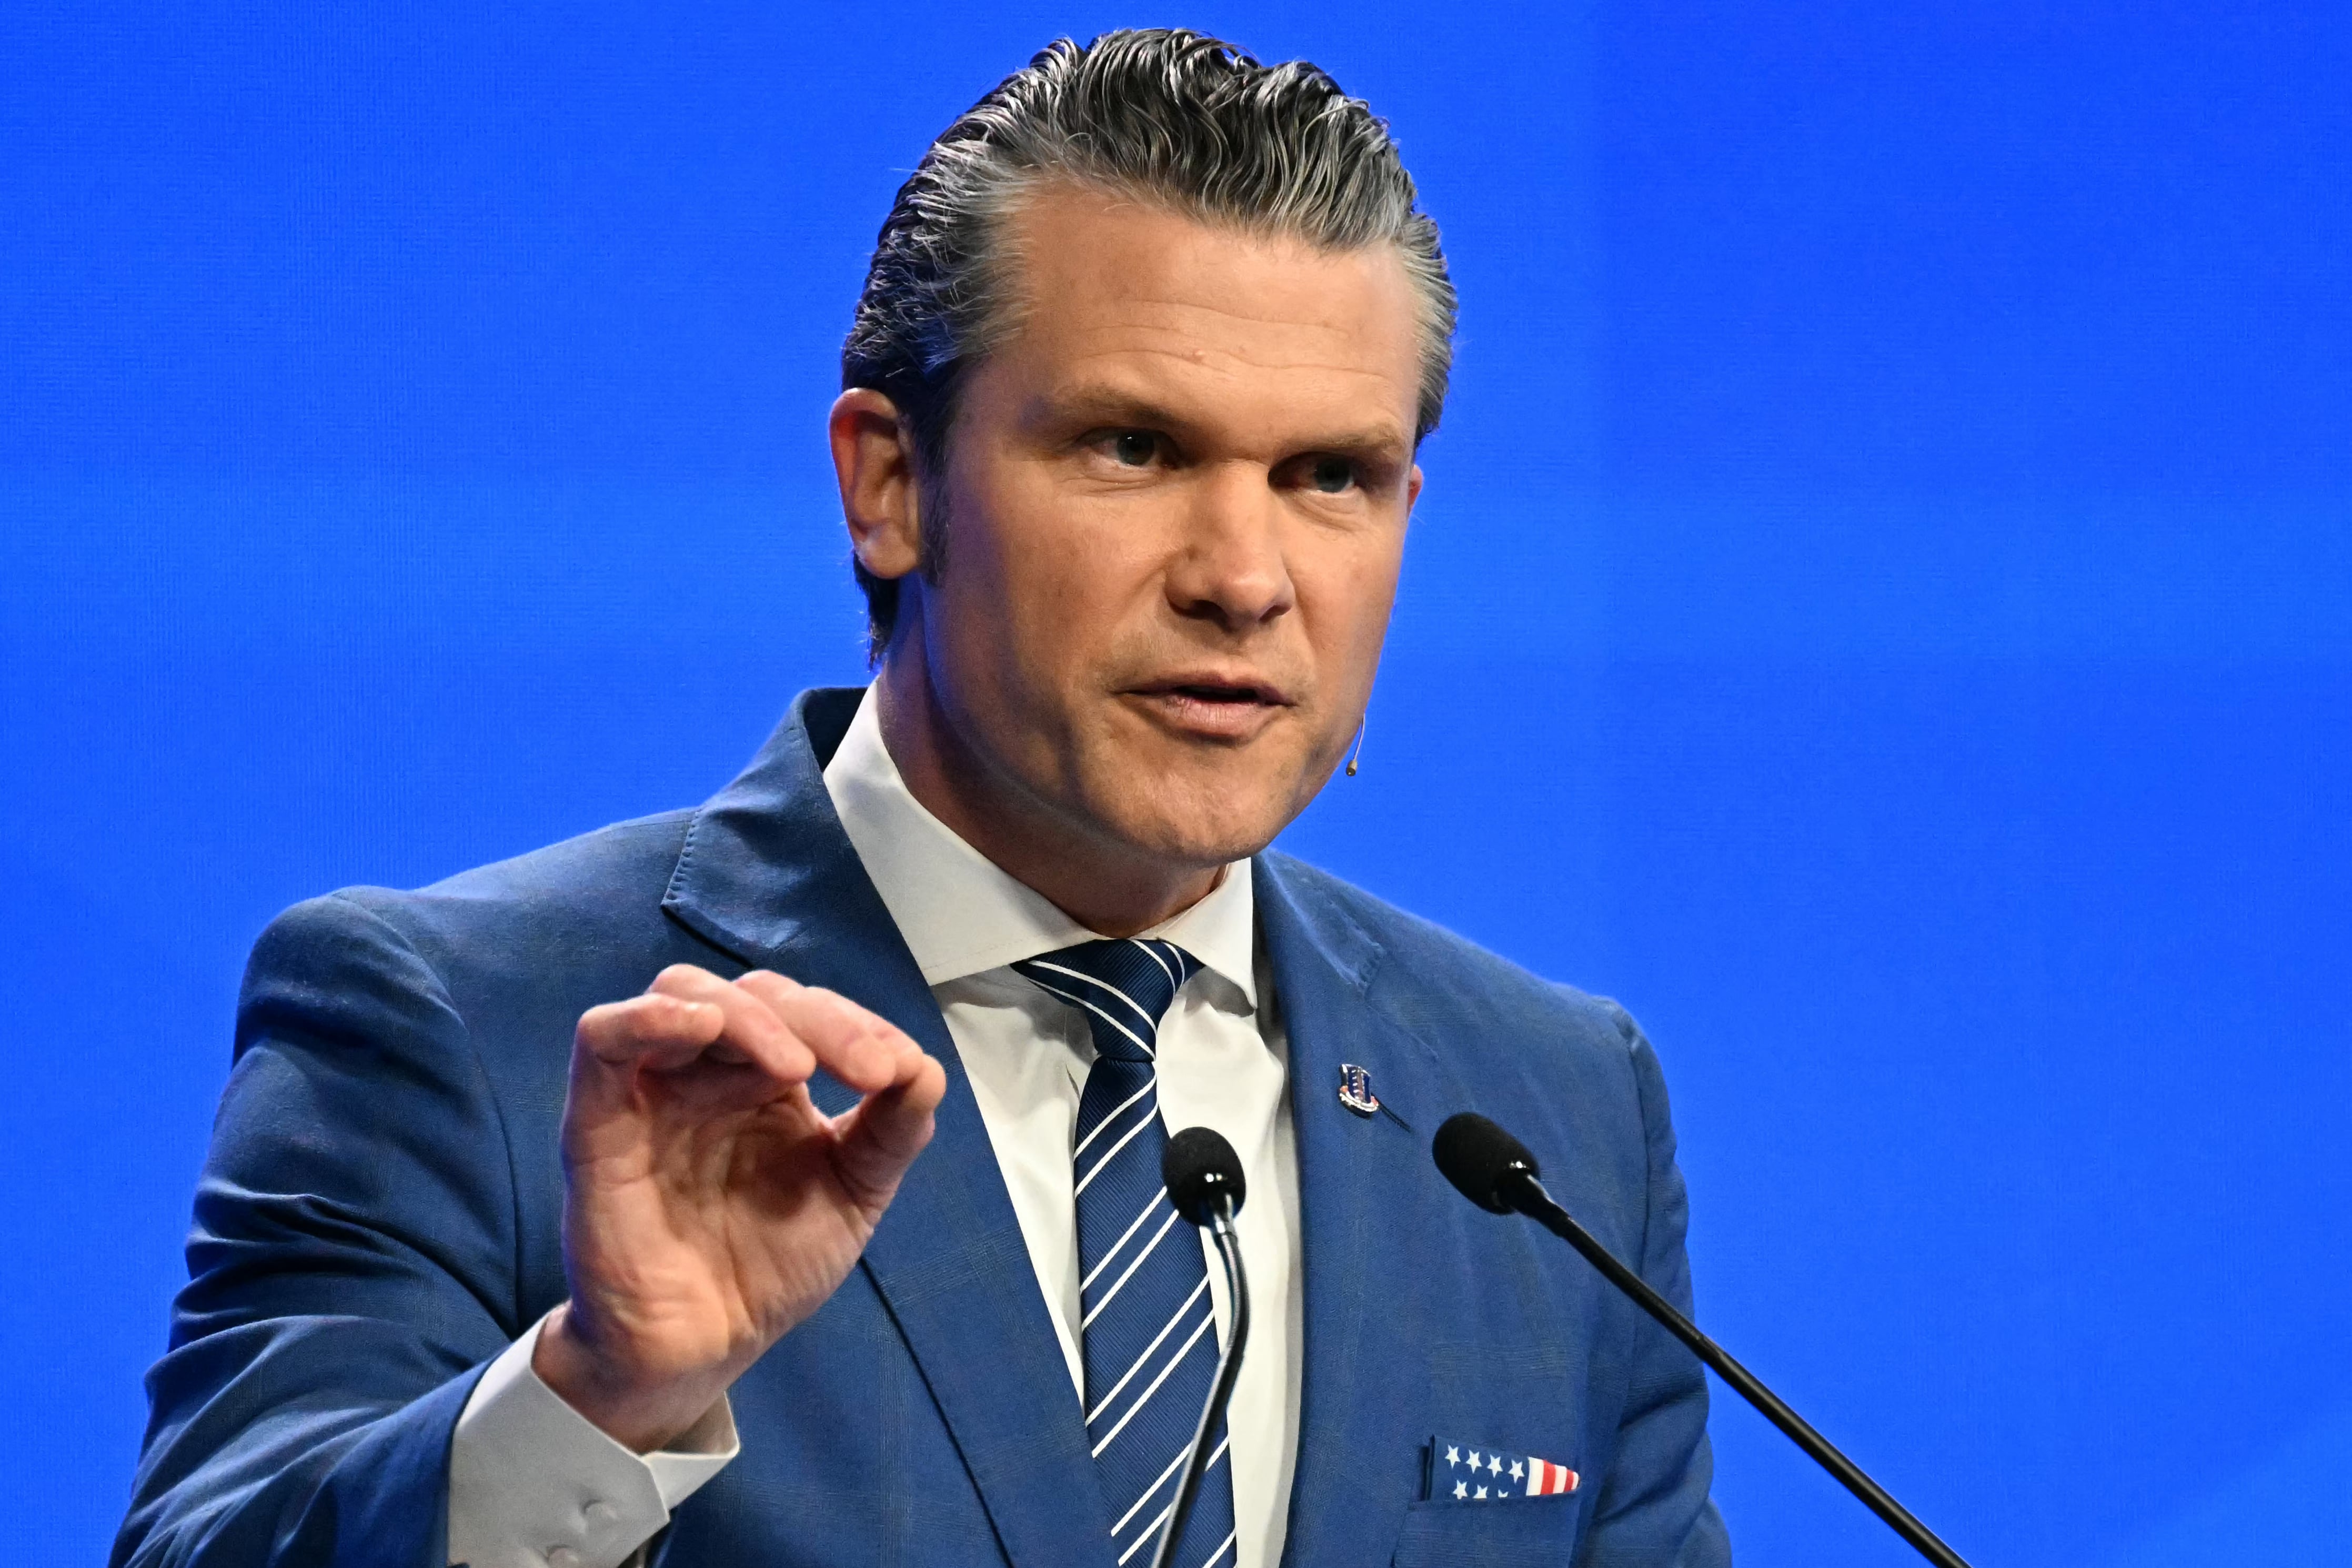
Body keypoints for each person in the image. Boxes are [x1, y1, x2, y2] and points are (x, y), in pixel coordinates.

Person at [115, 29, 1729, 1568]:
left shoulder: (1552, 1108)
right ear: (889, 482)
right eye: (1134, 446)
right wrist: (599, 1400)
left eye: (1330, 477)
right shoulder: (472, 1026)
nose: (1245, 578)